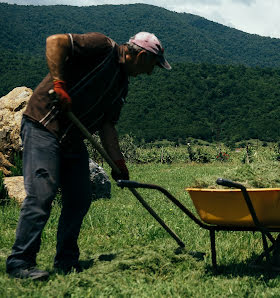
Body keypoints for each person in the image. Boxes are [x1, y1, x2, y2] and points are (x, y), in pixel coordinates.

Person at [6, 31, 171, 280]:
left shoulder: (121, 86)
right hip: (45, 125)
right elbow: (54, 42)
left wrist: (119, 165)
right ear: (140, 56)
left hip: (72, 139)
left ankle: (67, 260)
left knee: (80, 198)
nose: (150, 73)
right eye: (152, 65)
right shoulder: (102, 46)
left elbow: (107, 127)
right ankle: (20, 262)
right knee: (42, 194)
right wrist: (59, 84)